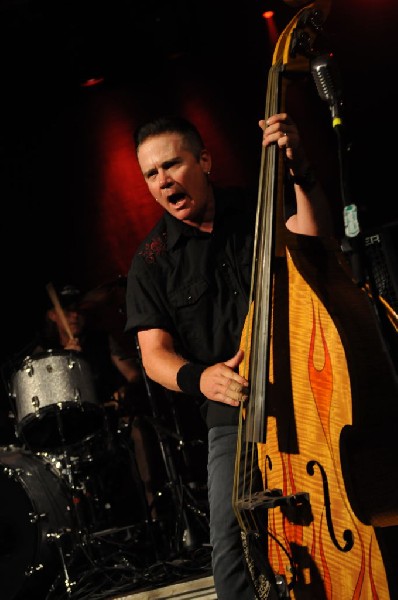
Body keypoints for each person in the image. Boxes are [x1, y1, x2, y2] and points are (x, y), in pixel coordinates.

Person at [124, 113, 332, 599]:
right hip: (232, 412)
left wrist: (299, 169)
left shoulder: (256, 205)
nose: (163, 181)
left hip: (306, 386)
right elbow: (154, 356)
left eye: (171, 164)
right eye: (151, 174)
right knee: (229, 543)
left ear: (205, 160)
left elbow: (316, 240)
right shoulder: (151, 261)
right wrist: (201, 378)